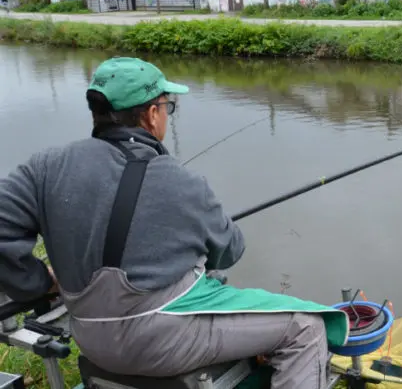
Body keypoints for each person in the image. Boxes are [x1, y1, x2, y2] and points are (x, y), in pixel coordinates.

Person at [0, 57, 348, 389]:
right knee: (306, 328)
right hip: (162, 344)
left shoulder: (45, 167)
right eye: (168, 106)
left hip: (89, 337)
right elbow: (229, 250)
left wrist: (37, 281)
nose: (167, 115)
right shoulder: (179, 180)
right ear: (152, 114)